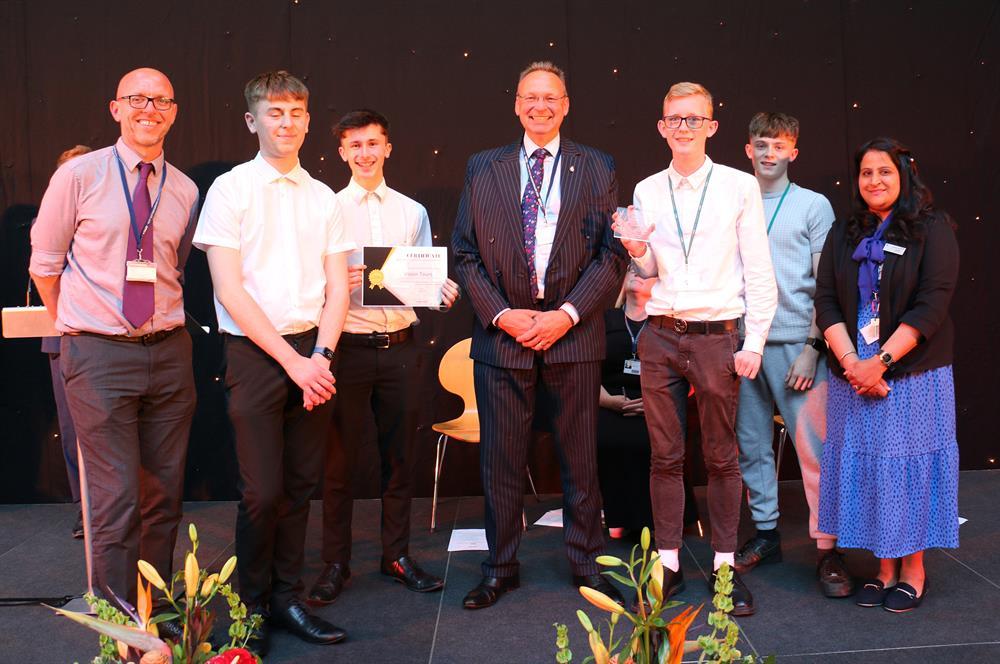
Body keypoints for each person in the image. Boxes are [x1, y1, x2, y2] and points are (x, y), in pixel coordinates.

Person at [452, 61, 628, 610]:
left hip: (572, 337)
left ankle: (587, 564)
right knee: (501, 464)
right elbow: (465, 253)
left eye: (551, 97)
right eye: (531, 97)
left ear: (566, 105)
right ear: (516, 104)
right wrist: (502, 315)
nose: (540, 106)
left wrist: (567, 315)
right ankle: (500, 567)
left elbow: (612, 254)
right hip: (503, 340)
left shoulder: (597, 166)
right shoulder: (483, 167)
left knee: (581, 463)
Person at [193, 70, 353, 654]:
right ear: (252, 120)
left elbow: (339, 287)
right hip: (256, 355)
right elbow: (229, 291)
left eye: (296, 113)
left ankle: (288, 597)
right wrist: (295, 363)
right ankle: (251, 607)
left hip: (315, 353)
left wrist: (321, 356)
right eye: (274, 112)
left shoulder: (324, 197)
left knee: (301, 486)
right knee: (261, 493)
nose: (286, 123)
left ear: (308, 121)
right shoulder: (231, 190)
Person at [29, 69, 198, 610]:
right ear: (116, 108)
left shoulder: (185, 189)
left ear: (173, 112)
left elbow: (174, 266)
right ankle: (118, 625)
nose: (149, 108)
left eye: (161, 100)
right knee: (116, 499)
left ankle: (155, 613)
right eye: (137, 99)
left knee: (163, 497)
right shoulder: (79, 176)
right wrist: (77, 324)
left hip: (168, 351)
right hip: (98, 353)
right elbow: (45, 265)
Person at [615, 82, 777, 617]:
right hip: (661, 333)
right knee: (664, 457)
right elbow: (647, 270)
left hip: (717, 337)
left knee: (722, 458)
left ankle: (724, 568)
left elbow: (759, 270)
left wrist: (754, 341)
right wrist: (636, 250)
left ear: (711, 126)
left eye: (694, 119)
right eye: (674, 119)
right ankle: (668, 566)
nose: (683, 127)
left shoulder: (738, 186)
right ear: (662, 127)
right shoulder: (646, 189)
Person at [308, 109, 458, 605]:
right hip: (346, 348)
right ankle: (335, 563)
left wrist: (440, 293)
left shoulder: (412, 211)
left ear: (388, 148)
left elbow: (422, 282)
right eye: (355, 145)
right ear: (342, 153)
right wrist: (334, 282)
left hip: (401, 349)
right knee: (339, 463)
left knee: (401, 457)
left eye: (373, 143)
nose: (365, 153)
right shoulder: (326, 208)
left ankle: (396, 555)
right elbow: (307, 281)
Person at [815, 137, 959, 613]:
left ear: (904, 175)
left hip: (911, 370)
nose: (874, 181)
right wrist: (852, 363)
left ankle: (913, 570)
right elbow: (826, 300)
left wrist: (881, 363)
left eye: (885, 172)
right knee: (872, 468)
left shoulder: (932, 228)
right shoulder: (844, 231)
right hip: (852, 370)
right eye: (866, 173)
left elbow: (932, 304)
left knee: (905, 468)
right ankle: (883, 567)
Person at [733, 113, 853, 597]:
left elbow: (826, 285)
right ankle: (766, 534)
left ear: (793, 153)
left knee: (814, 450)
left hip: (797, 346)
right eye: (761, 145)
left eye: (778, 146)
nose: (769, 153)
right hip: (743, 345)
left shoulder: (812, 205)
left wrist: (812, 346)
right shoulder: (733, 200)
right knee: (752, 446)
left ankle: (828, 549)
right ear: (748, 150)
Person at [596, 266, 699, 538]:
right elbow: (587, 371)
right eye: (632, 269)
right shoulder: (605, 320)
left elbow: (689, 374)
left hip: (659, 403)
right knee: (605, 437)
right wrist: (606, 400)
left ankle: (663, 520)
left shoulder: (669, 324)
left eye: (645, 271)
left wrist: (657, 402)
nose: (636, 274)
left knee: (656, 443)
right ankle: (616, 517)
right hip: (608, 401)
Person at [37, 144, 92, 538]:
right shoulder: (48, 222)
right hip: (62, 337)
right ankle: (85, 508)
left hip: (110, 337)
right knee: (73, 429)